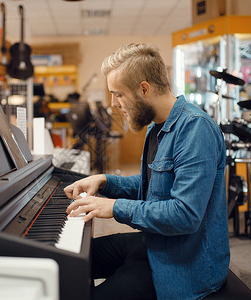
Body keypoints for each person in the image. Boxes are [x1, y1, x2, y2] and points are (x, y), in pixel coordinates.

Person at [64, 43, 230, 300]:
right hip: (156, 243)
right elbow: (153, 186)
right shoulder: (156, 128)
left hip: (185, 262)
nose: (113, 104)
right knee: (67, 261)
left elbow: (185, 214)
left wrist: (114, 207)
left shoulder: (196, 129)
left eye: (118, 94)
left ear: (144, 89)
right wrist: (105, 181)